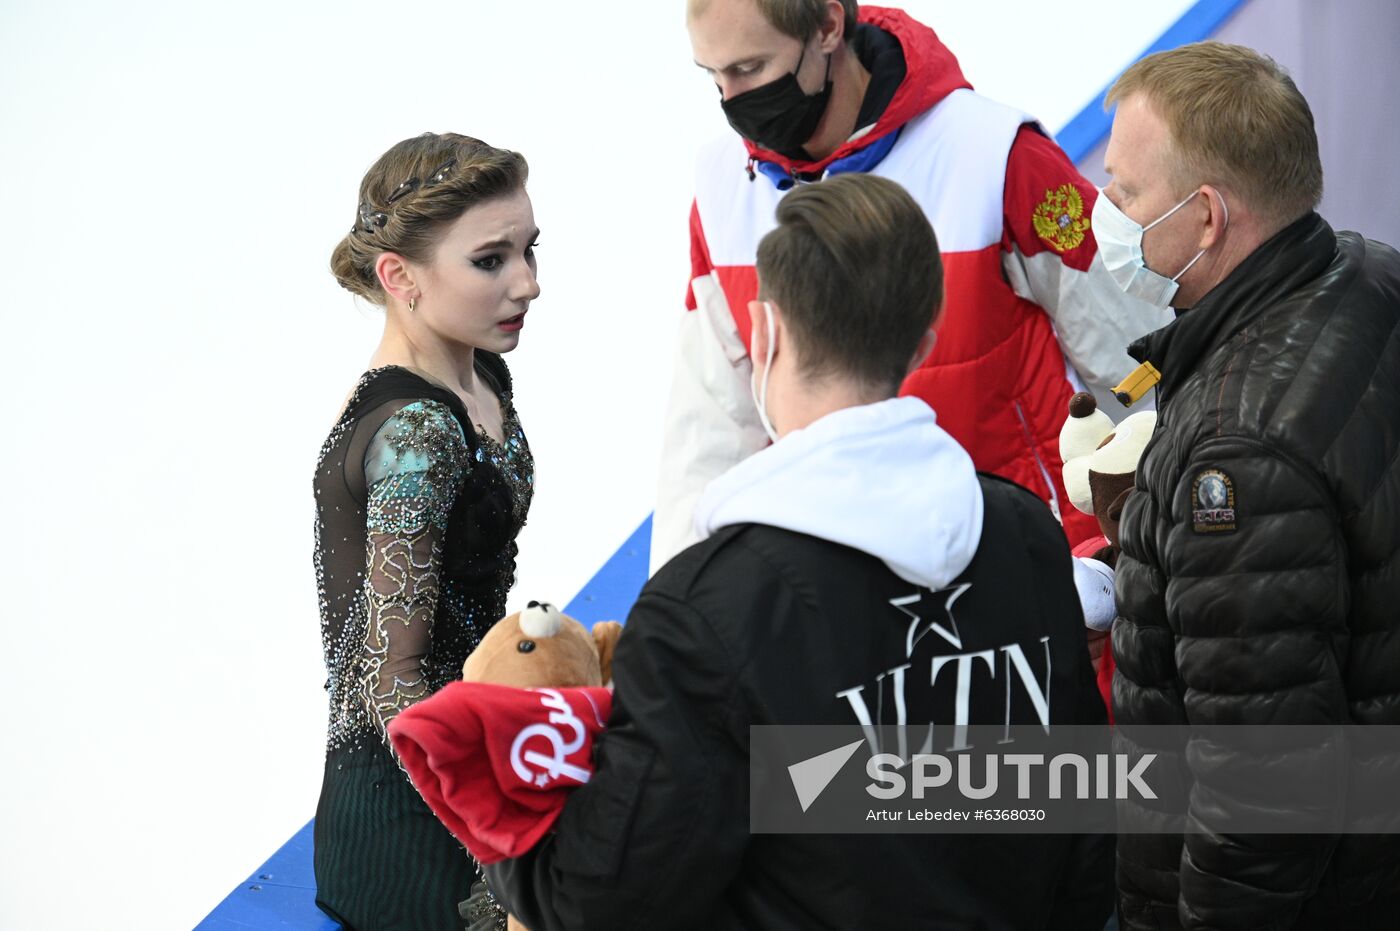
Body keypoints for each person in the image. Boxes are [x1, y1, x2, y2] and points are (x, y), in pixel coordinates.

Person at [482, 173, 1112, 930]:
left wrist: (508, 754)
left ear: (766, 332)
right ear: (922, 340)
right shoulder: (1029, 538)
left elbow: (597, 901)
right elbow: (1081, 837)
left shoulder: (699, 613)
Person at [651, 0, 1174, 572]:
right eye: (713, 76)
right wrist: (680, 622)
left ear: (828, 26)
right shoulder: (723, 194)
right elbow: (710, 437)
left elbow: (1137, 366)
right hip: (846, 595)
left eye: (749, 69)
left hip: (1033, 573)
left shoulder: (994, 153)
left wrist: (1142, 555)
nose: (730, 99)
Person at [1100, 42, 1400, 929]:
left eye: (1124, 194)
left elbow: (1264, 792)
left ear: (1206, 218)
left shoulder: (1238, 453)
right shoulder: (1365, 270)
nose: (1101, 214)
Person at [313, 132, 539, 931]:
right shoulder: (416, 429)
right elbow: (389, 678)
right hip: (415, 825)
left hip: (472, 757)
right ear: (399, 277)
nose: (529, 283)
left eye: (528, 249)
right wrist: (498, 841)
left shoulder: (481, 375)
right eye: (492, 260)